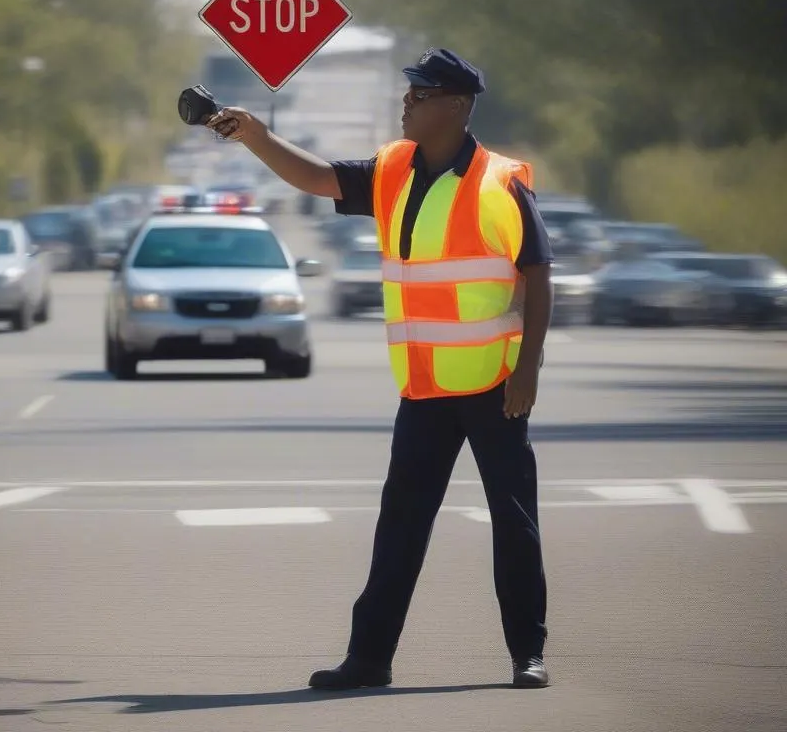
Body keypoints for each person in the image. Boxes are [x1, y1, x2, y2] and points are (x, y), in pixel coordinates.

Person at [205, 48, 553, 691]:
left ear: (455, 105)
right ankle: (368, 660)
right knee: (400, 525)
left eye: (419, 95)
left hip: (492, 386)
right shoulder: (394, 169)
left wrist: (528, 370)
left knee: (512, 520)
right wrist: (254, 134)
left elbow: (538, 273)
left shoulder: (500, 181)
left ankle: (526, 654)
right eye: (408, 94)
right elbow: (317, 178)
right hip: (423, 388)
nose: (407, 103)